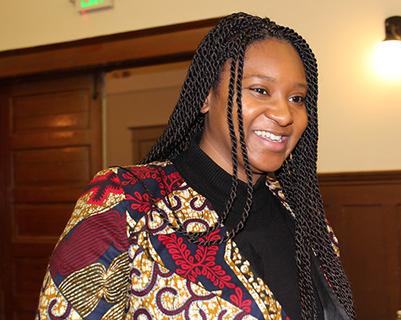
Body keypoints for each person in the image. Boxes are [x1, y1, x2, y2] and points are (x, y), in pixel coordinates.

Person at [36, 12, 355, 320]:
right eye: (260, 90)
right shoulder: (127, 202)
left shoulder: (300, 212)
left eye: (297, 98)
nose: (285, 114)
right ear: (205, 96)